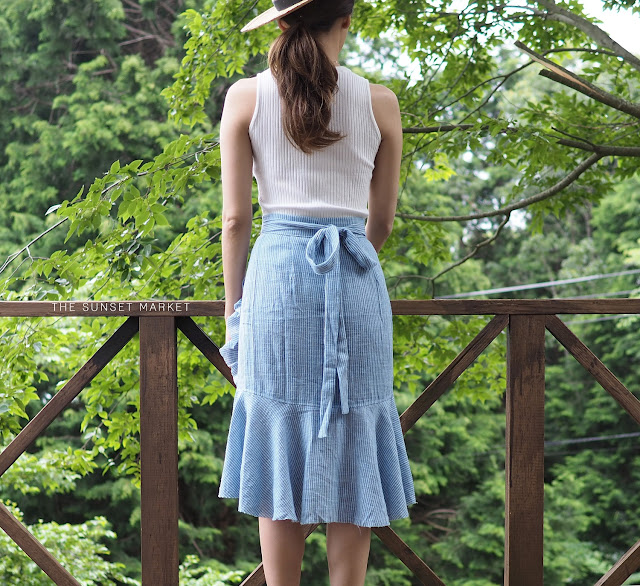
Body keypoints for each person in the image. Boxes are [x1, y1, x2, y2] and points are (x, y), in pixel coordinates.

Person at [217, 1, 415, 584]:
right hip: (356, 278)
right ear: (346, 21)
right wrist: (348, 266)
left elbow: (235, 220)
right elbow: (382, 222)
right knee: (355, 439)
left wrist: (234, 317)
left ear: (282, 23)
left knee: (280, 440)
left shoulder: (245, 97)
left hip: (276, 285)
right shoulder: (380, 102)